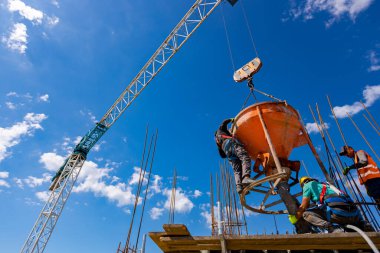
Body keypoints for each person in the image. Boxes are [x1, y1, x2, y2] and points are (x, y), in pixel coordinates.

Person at [291, 176, 368, 233]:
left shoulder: (307, 185)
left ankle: (331, 228)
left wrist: (295, 217)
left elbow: (304, 206)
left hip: (337, 215)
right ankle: (363, 225)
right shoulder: (327, 185)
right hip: (355, 217)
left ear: (303, 183)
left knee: (306, 214)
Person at [215, 118, 255, 193]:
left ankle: (239, 186)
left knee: (237, 170)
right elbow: (224, 123)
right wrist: (231, 120)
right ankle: (246, 177)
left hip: (227, 151)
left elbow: (222, 156)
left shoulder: (217, 142)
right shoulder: (220, 130)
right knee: (244, 157)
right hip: (231, 143)